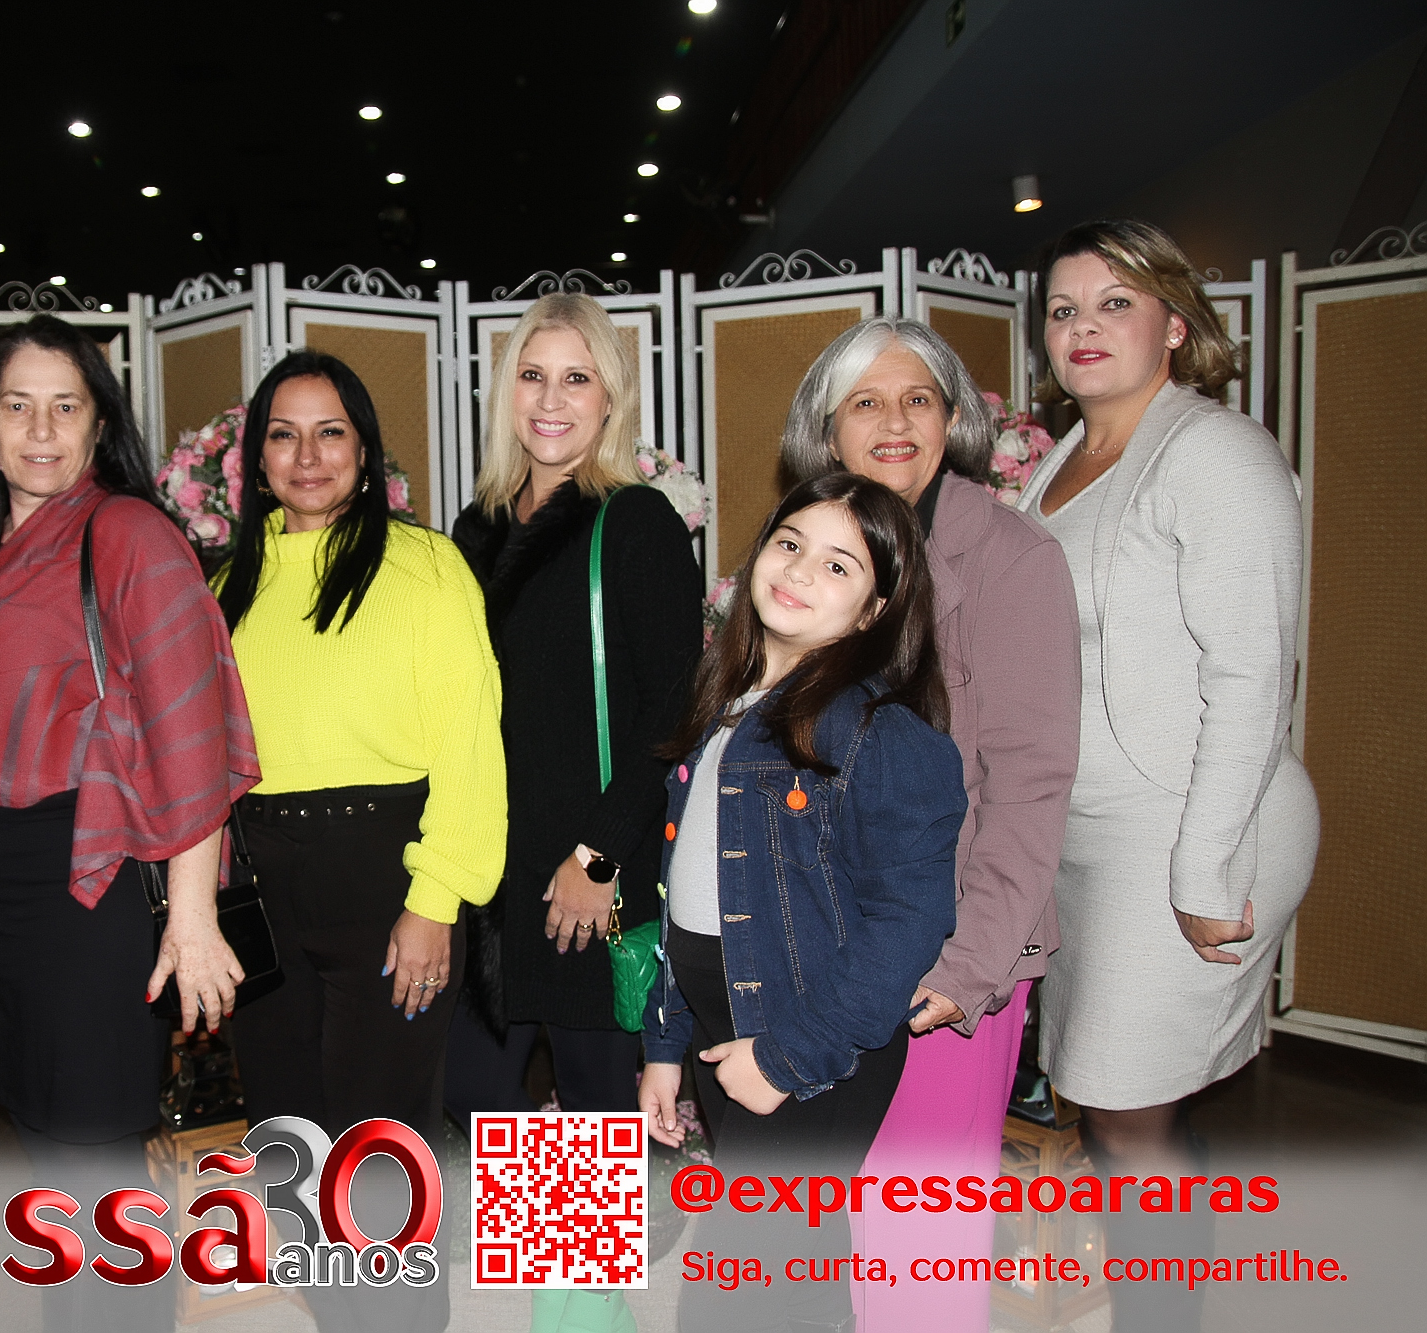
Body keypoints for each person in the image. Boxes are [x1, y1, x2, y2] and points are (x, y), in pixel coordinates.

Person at [0, 314, 258, 1332]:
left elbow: (191, 728)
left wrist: (192, 917)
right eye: (17, 405)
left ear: (101, 424)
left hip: (86, 908)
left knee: (96, 1181)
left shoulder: (126, 533)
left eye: (66, 406)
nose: (41, 429)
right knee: (55, 1177)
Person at [1016, 220, 1318, 1333]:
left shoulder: (1213, 452)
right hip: (1088, 836)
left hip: (1192, 825)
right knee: (1116, 1115)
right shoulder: (1057, 462)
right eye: (1062, 309)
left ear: (1175, 325)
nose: (1082, 327)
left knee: (1126, 1115)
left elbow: (1254, 672)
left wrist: (1203, 866)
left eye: (1114, 303)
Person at [778, 317, 1079, 1332]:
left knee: (915, 1249)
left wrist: (972, 963)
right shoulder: (813, 550)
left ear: (953, 421)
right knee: (827, 1233)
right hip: (826, 946)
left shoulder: (1010, 558)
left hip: (947, 952)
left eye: (917, 399)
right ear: (827, 429)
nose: (894, 421)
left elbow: (1029, 780)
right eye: (865, 401)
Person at [215, 350, 504, 1333]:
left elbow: (469, 743)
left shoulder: (426, 565)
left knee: (377, 1149)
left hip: (388, 880)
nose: (308, 455)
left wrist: (435, 900)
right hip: (258, 888)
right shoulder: (222, 585)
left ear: (367, 450)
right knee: (287, 1142)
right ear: (256, 461)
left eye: (330, 431)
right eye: (284, 435)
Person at [640, 473, 964, 1333]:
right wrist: (665, 1044)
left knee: (737, 1294)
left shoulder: (878, 733)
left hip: (815, 1040)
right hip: (727, 1027)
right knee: (788, 1279)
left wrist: (788, 1058)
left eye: (838, 565)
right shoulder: (724, 703)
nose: (799, 570)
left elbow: (909, 923)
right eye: (790, 544)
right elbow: (686, 901)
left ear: (873, 611)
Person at [445, 292, 702, 1124]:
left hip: (588, 876)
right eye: (532, 375)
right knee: (473, 1095)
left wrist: (598, 856)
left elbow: (675, 706)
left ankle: (573, 1221)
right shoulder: (476, 530)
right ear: (506, 391)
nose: (551, 399)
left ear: (610, 398)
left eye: (577, 378)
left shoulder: (635, 521)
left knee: (593, 1112)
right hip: (491, 876)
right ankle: (522, 1216)